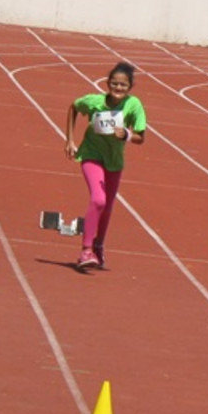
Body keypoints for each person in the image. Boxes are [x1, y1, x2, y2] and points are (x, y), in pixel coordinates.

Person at [63, 62, 146, 269]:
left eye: (123, 85)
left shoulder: (133, 105)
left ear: (129, 87)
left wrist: (126, 135)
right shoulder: (94, 102)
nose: (118, 88)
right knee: (98, 200)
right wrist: (69, 140)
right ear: (107, 83)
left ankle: (99, 245)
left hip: (114, 161)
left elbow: (140, 137)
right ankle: (86, 250)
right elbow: (73, 107)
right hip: (91, 155)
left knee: (107, 208)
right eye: (114, 84)